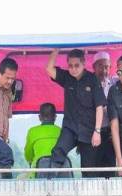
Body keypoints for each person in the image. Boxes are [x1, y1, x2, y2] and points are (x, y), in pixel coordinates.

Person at [46, 49, 106, 177]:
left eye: (76, 65)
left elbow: (99, 107)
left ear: (84, 63)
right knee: (58, 152)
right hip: (70, 128)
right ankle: (49, 185)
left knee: (88, 169)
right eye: (70, 66)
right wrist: (56, 49)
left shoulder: (92, 79)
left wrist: (97, 131)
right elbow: (49, 69)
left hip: (89, 130)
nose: (73, 69)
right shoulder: (66, 77)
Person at [92, 51, 119, 174]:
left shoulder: (114, 83)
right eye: (100, 66)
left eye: (107, 67)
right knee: (93, 171)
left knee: (109, 170)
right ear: (94, 67)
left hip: (109, 135)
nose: (104, 70)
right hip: (93, 135)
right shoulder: (88, 84)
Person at [24, 103, 62, 177]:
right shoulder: (61, 131)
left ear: (39, 117)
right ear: (55, 117)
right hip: (59, 174)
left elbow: (28, 156)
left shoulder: (32, 131)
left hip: (37, 174)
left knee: (20, 177)